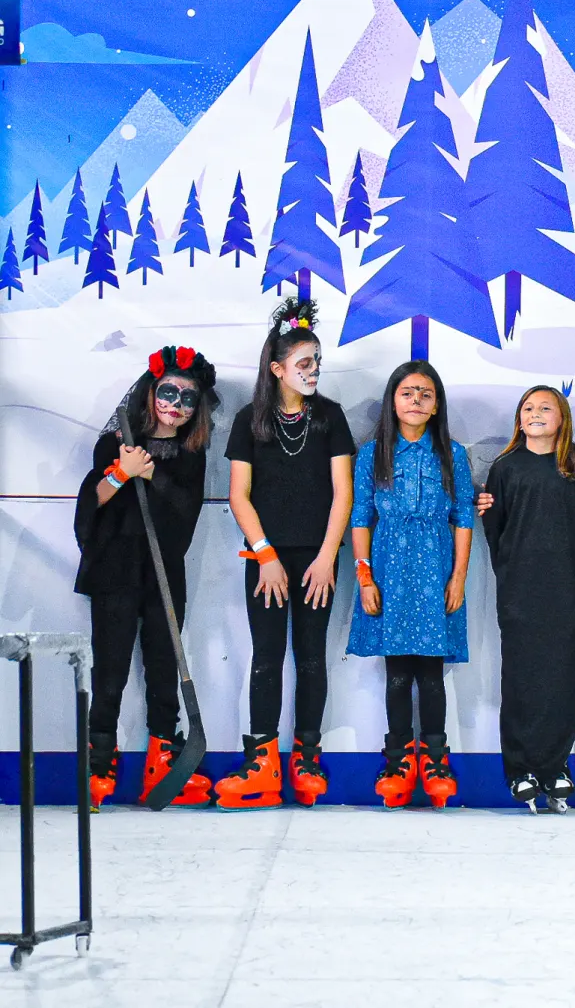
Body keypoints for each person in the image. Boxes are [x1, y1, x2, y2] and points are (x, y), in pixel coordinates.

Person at [215, 298, 355, 810]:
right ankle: (262, 762)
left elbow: (343, 493)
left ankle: (306, 757)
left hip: (318, 559)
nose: (313, 370)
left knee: (312, 656)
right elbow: (239, 495)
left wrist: (327, 556)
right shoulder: (249, 420)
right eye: (304, 363)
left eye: (317, 361)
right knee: (267, 656)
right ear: (277, 369)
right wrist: (265, 554)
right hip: (265, 560)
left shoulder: (330, 417)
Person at [74, 346, 220, 808]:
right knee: (111, 668)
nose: (176, 405)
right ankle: (98, 764)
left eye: (187, 398)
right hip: (115, 569)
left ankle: (163, 760)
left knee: (163, 665)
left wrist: (154, 477)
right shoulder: (115, 443)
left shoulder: (192, 454)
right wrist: (123, 472)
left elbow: (185, 513)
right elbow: (91, 503)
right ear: (151, 393)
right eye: (168, 393)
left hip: (163, 571)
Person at [348, 361, 475, 810]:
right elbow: (361, 517)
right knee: (398, 673)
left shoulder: (452, 454)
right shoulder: (373, 454)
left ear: (436, 404)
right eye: (407, 392)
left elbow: (463, 517)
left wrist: (458, 577)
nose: (416, 400)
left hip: (436, 572)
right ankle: (398, 760)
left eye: (426, 393)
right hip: (390, 572)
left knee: (432, 674)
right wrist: (365, 578)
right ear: (393, 401)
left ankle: (436, 762)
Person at [477, 387, 575, 813]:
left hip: (569, 589)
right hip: (520, 590)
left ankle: (555, 765)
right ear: (518, 420)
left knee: (564, 678)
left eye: (546, 407)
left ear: (562, 417)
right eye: (528, 408)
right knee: (521, 677)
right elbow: (496, 531)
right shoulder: (506, 467)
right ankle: (521, 767)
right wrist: (512, 574)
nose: (536, 413)